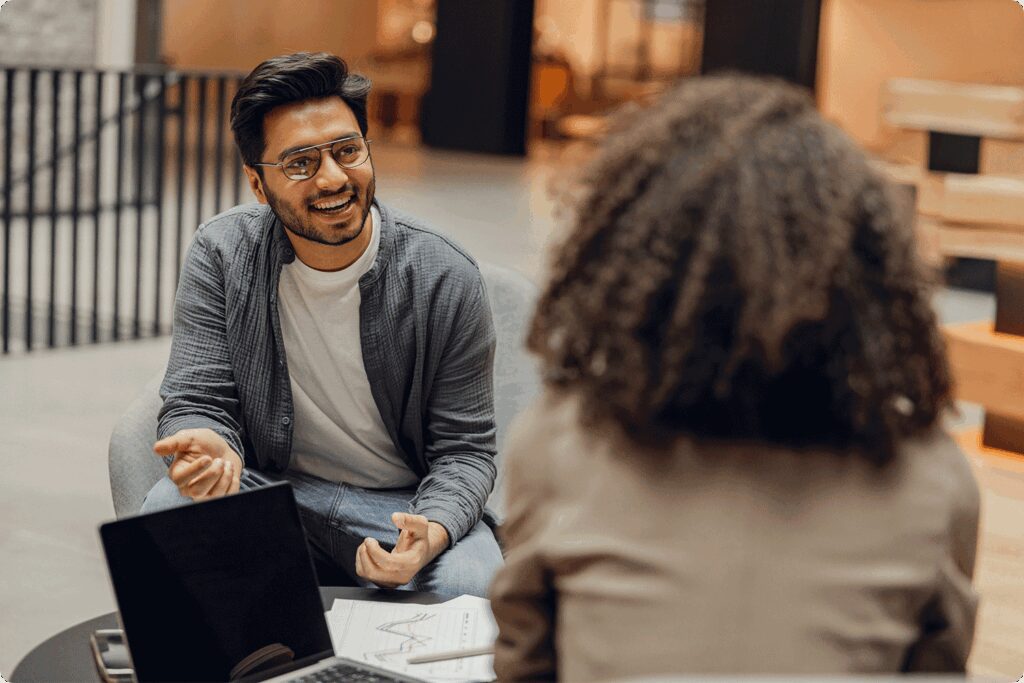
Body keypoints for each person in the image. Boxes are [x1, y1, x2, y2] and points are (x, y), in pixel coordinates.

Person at [489, 75, 981, 678]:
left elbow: (525, 664)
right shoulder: (932, 480)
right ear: (866, 277)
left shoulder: (560, 444)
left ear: (634, 266)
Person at [141, 52, 503, 598]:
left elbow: (465, 450)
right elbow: (197, 397)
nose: (333, 178)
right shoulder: (222, 253)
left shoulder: (443, 274)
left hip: (400, 507)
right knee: (168, 510)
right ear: (258, 186)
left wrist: (429, 531)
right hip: (273, 492)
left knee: (472, 584)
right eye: (300, 163)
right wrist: (213, 446)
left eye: (347, 150)